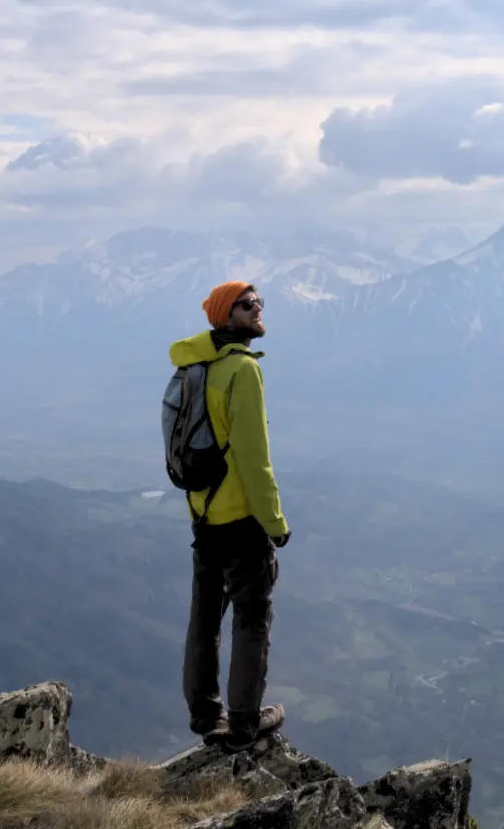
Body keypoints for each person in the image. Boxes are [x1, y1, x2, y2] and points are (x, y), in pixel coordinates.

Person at [170, 280, 291, 751]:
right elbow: (253, 458)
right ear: (227, 316)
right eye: (247, 305)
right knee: (252, 622)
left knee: (204, 619)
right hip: (242, 521)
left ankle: (205, 716)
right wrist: (275, 523)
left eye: (260, 302)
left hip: (204, 516)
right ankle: (242, 726)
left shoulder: (193, 365)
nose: (258, 309)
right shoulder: (241, 370)